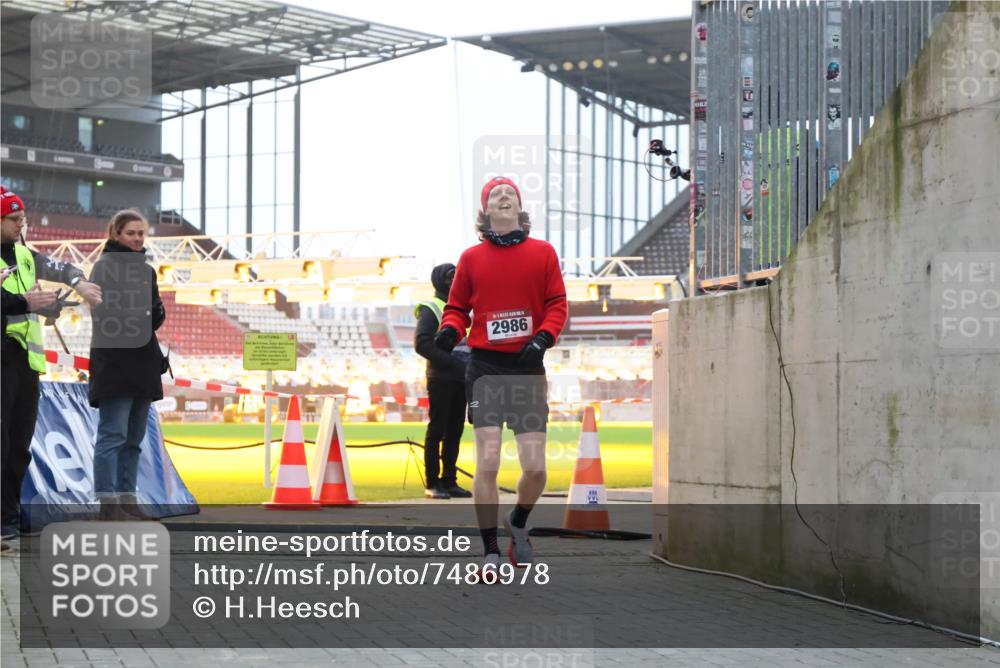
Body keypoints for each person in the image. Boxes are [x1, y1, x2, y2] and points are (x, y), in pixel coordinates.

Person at [435, 176, 567, 575]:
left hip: (527, 367)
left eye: (510, 192)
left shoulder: (543, 253)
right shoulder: (471, 259)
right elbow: (458, 308)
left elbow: (557, 304)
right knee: (488, 460)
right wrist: (449, 329)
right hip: (485, 368)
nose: (504, 196)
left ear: (519, 207)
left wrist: (543, 339)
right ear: (486, 210)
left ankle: (520, 521)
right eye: (496, 194)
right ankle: (490, 551)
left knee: (536, 468)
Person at [1, 187, 102, 541]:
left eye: (22, 218)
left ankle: (8, 522)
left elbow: (58, 267)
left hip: (25, 364)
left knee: (17, 448)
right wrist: (25, 303)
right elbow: (14, 302)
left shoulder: (25, 256)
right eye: (13, 219)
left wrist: (76, 286)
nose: (20, 224)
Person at [88, 210, 166, 520]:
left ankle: (127, 498)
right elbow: (106, 315)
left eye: (141, 233)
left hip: (144, 362)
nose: (137, 238)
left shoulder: (147, 271)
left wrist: (143, 315)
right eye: (131, 233)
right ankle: (108, 504)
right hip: (115, 363)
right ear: (116, 234)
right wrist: (142, 316)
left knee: (134, 439)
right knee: (113, 436)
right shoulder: (103, 267)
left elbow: (156, 314)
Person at [413, 263, 471, 500]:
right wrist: (452, 363)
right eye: (451, 277)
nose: (456, 280)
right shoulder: (432, 308)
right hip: (442, 377)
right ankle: (433, 482)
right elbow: (421, 344)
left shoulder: (465, 308)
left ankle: (449, 480)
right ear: (442, 281)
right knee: (437, 430)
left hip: (462, 377)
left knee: (455, 431)